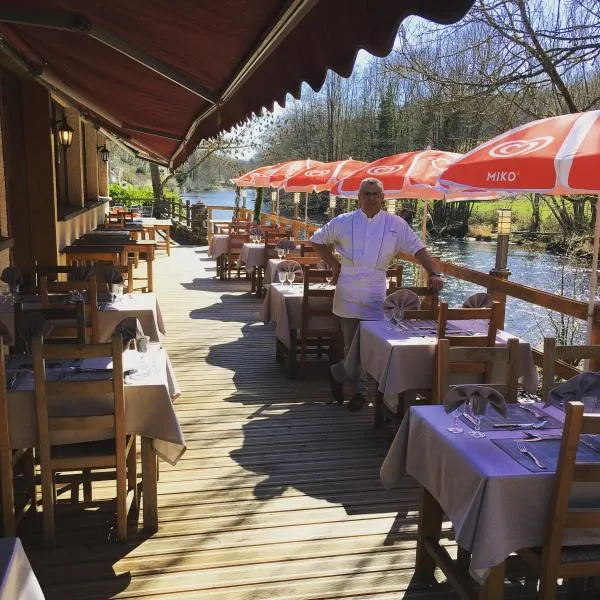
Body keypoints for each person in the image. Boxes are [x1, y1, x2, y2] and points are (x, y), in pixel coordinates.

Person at [310, 177, 443, 411]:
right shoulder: (343, 221)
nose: (371, 198)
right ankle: (360, 393)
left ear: (383, 198)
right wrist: (334, 264)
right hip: (348, 289)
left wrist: (433, 272)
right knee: (352, 345)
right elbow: (317, 240)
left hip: (376, 292)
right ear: (359, 197)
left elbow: (419, 248)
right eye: (366, 194)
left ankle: (340, 371)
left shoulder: (395, 224)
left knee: (374, 345)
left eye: (375, 194)